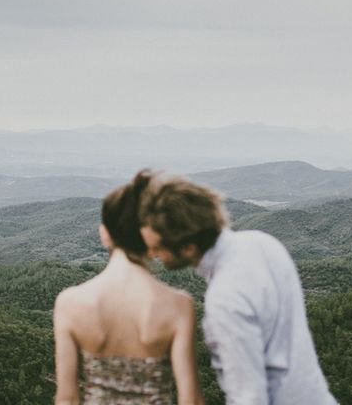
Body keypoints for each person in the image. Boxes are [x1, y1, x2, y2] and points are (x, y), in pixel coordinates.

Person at [138, 172, 337, 405]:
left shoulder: (225, 298)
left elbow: (249, 396)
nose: (152, 254)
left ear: (189, 247)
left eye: (158, 247)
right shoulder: (262, 243)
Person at [54, 171, 204, 405]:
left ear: (104, 234)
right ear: (153, 236)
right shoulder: (178, 304)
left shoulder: (70, 303)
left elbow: (67, 398)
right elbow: (191, 400)